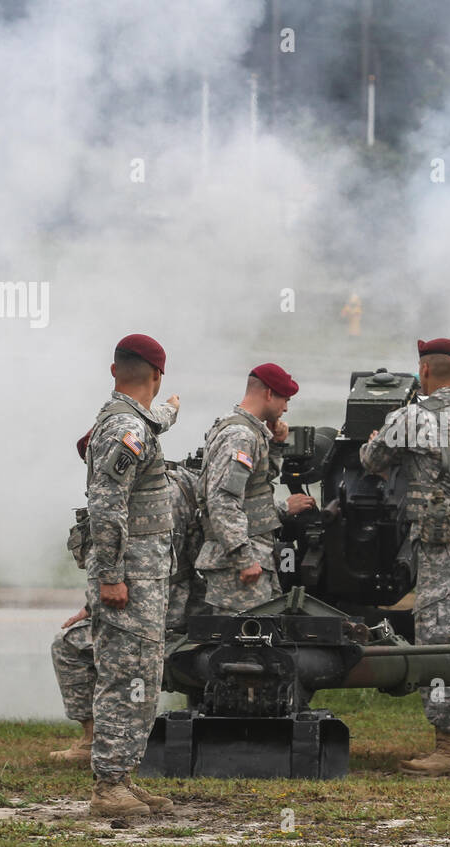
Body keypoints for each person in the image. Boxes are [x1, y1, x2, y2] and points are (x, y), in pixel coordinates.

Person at [359, 338, 450, 776]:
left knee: (435, 642)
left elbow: (372, 459)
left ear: (424, 372)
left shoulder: (412, 417)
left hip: (441, 541)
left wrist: (376, 439)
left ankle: (449, 746)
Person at [49, 400, 182, 764]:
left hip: (164, 604)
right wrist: (96, 601)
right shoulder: (126, 485)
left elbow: (167, 557)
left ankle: (115, 773)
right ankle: (96, 749)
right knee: (70, 644)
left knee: (127, 682)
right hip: (140, 597)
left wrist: (111, 583)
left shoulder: (161, 496)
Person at [83, 333, 177, 817]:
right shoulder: (127, 430)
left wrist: (170, 411)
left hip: (142, 579)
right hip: (129, 580)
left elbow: (154, 417)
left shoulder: (134, 421)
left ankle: (122, 774)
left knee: (142, 674)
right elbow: (107, 506)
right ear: (157, 376)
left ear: (115, 370)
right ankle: (108, 787)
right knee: (124, 678)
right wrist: (112, 576)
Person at [195, 364, 315, 614]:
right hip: (239, 566)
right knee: (242, 643)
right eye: (285, 399)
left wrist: (278, 445)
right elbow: (222, 501)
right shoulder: (240, 435)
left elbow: (257, 483)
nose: (286, 408)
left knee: (260, 638)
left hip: (253, 556)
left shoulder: (250, 432)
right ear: (269, 394)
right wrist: (243, 558)